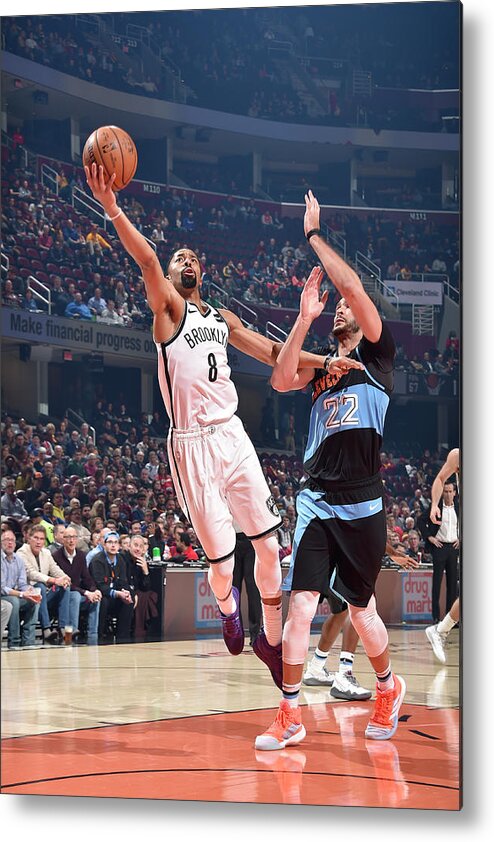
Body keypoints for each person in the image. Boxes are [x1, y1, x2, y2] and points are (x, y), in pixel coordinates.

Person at [84, 164, 356, 683]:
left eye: (192, 258)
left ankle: (271, 641)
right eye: (177, 257)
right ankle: (229, 608)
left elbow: (273, 352)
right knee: (224, 563)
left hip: (231, 434)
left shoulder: (221, 320)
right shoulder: (167, 309)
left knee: (271, 545)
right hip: (190, 446)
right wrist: (113, 207)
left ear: (202, 274)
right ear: (170, 273)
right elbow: (144, 258)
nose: (185, 259)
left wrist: (324, 362)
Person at [256, 190, 406, 750]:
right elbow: (278, 378)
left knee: (362, 610)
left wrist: (313, 237)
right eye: (337, 310)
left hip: (362, 502)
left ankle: (388, 686)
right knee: (301, 605)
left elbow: (351, 287)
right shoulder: (322, 373)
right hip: (316, 498)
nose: (340, 308)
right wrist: (302, 318)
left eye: (343, 307)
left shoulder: (377, 357)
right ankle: (289, 713)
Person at [424, 448, 460, 663]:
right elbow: (439, 478)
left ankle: (442, 629)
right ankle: (440, 626)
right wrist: (434, 505)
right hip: (442, 548)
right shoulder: (457, 455)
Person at [18, 524, 71, 643]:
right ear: (29, 539)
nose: (38, 542)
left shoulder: (46, 552)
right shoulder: (21, 552)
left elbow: (55, 569)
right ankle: (46, 629)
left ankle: (63, 628)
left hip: (45, 597)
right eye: (36, 538)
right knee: (40, 586)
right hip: (28, 594)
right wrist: (53, 580)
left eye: (41, 539)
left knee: (64, 587)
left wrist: (65, 578)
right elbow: (31, 574)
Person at [418, 473, 459, 624]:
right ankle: (435, 617)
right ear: (442, 492)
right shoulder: (436, 507)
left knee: (453, 584)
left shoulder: (460, 508)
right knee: (436, 583)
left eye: (450, 491)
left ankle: (451, 619)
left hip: (454, 548)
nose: (448, 494)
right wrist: (429, 537)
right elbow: (420, 520)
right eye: (446, 491)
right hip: (439, 547)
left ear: (454, 492)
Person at [51, 526, 102, 645]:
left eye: (73, 537)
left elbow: (87, 578)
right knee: (74, 595)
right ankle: (71, 632)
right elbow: (66, 584)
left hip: (79, 592)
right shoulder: (56, 556)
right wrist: (85, 592)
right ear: (63, 540)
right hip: (63, 595)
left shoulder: (81, 555)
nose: (71, 540)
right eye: (68, 537)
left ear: (77, 539)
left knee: (96, 599)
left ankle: (92, 635)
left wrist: (94, 590)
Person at [89, 531, 134, 643]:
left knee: (129, 600)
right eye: (109, 542)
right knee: (103, 601)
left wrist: (126, 593)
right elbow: (100, 585)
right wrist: (118, 594)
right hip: (100, 594)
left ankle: (123, 637)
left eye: (115, 542)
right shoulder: (97, 560)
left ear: (119, 546)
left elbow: (123, 581)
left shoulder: (121, 560)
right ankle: (101, 636)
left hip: (116, 594)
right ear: (104, 545)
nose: (113, 545)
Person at [1, 529, 41, 649]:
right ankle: (14, 640)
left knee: (35, 600)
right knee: (14, 601)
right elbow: (2, 588)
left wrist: (31, 591)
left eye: (12, 540)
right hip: (4, 595)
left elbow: (22, 583)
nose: (10, 543)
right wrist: (22, 594)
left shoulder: (18, 559)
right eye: (7, 540)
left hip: (14, 593)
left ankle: (29, 639)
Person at [233, 522, 262, 647]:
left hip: (252, 538)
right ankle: (236, 634)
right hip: (230, 539)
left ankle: (255, 633)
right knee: (234, 591)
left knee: (253, 590)